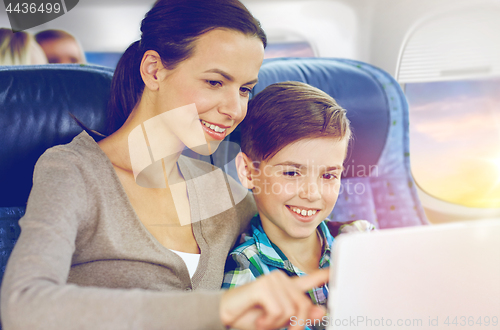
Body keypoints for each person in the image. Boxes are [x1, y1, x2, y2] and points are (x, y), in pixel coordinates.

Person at [1, 1, 329, 330]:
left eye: (245, 89)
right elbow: (23, 305)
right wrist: (218, 308)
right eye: (215, 82)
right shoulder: (73, 171)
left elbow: (296, 232)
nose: (235, 109)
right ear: (154, 71)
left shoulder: (223, 192)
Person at [223, 82, 375, 327]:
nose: (312, 194)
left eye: (328, 176)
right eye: (292, 173)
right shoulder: (247, 272)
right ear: (248, 173)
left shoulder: (362, 238)